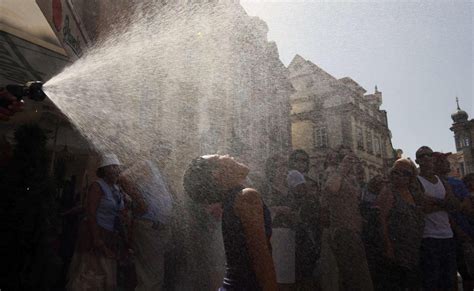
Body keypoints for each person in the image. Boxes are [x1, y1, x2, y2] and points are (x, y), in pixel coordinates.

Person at [183, 154, 277, 291]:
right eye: (219, 157)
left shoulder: (233, 200)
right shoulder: (246, 197)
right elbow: (261, 259)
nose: (227, 155)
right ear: (217, 174)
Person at [67, 153, 129, 291]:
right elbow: (91, 212)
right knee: (91, 275)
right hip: (95, 234)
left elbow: (120, 212)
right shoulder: (97, 186)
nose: (116, 170)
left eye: (117, 167)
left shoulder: (117, 189)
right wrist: (96, 239)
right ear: (104, 170)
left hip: (109, 235)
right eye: (112, 167)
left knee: (106, 274)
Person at [119, 148, 174, 291]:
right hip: (149, 227)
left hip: (158, 229)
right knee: (150, 279)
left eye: (167, 153)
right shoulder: (147, 164)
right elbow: (124, 178)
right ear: (154, 152)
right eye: (163, 151)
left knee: (154, 278)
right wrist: (140, 201)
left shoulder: (158, 171)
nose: (166, 156)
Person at [322, 149, 374, 291]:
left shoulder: (349, 178)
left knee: (355, 280)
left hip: (353, 231)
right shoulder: (332, 173)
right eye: (346, 158)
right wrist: (343, 167)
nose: (351, 161)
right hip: (343, 232)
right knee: (357, 280)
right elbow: (331, 188)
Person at [375, 158, 425, 290]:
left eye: (405, 173)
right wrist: (388, 247)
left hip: (412, 248)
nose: (400, 176)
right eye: (396, 172)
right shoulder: (388, 192)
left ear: (411, 177)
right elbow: (381, 221)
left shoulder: (412, 193)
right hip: (396, 249)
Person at [415, 146, 459, 291]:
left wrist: (435, 202)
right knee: (432, 280)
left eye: (429, 155)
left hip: (447, 236)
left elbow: (454, 204)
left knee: (449, 280)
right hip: (428, 237)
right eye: (423, 156)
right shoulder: (416, 181)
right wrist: (444, 204)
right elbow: (422, 207)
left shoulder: (442, 180)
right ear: (418, 161)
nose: (427, 158)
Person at [433, 152, 474, 291]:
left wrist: (448, 205)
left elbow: (466, 207)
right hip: (448, 234)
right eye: (443, 160)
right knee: (455, 274)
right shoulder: (435, 184)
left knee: (465, 273)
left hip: (461, 232)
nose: (448, 163)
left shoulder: (456, 182)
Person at [287, 149, 321, 290]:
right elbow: (304, 192)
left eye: (304, 160)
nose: (301, 163)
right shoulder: (293, 174)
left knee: (308, 263)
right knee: (303, 264)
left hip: (309, 222)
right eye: (297, 160)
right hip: (301, 223)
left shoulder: (305, 177)